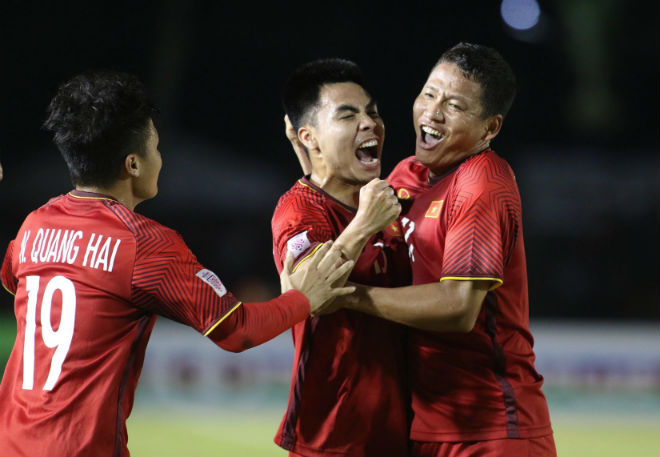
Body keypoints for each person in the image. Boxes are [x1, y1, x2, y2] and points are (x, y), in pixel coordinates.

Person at [0, 71, 356, 457]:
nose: (161, 158)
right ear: (133, 164)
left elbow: (14, 282)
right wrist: (304, 297)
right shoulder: (144, 244)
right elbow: (237, 330)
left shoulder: (34, 226)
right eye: (155, 147)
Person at [339, 42, 556, 457]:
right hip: (425, 424)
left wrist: (350, 297)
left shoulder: (481, 184)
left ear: (489, 129)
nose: (432, 113)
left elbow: (458, 308)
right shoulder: (407, 176)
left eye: (454, 106)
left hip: (491, 432)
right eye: (429, 94)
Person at [271, 58, 411, 457]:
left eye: (372, 112)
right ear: (310, 138)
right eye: (348, 115)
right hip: (333, 440)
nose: (369, 123)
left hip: (402, 434)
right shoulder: (299, 212)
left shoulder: (387, 205)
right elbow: (308, 292)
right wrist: (364, 225)